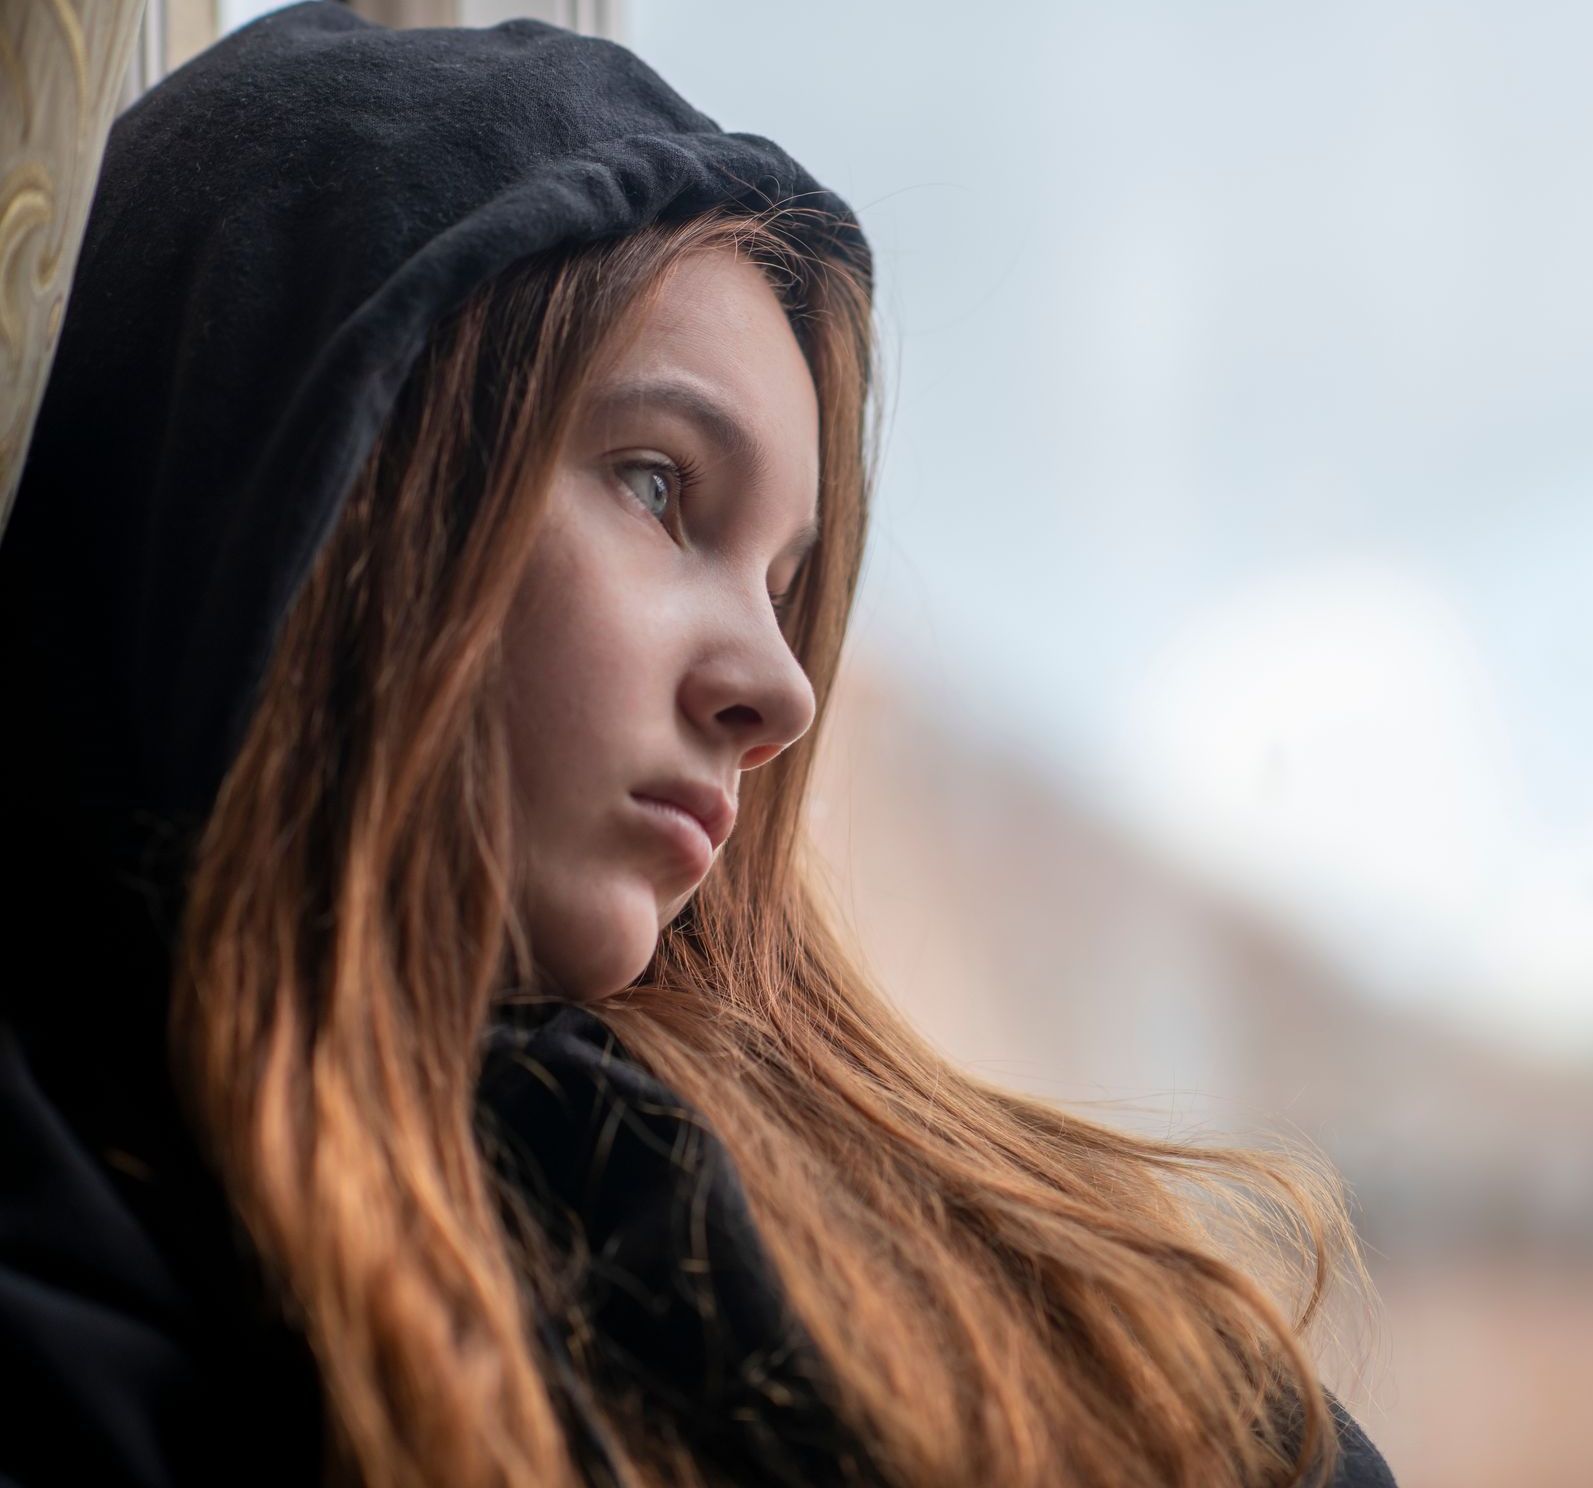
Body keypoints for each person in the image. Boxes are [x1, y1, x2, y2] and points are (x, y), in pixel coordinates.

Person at [0, 4, 1397, 1486]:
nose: (781, 692)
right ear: (323, 471)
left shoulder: (1024, 1279)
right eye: (663, 489)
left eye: (788, 584)